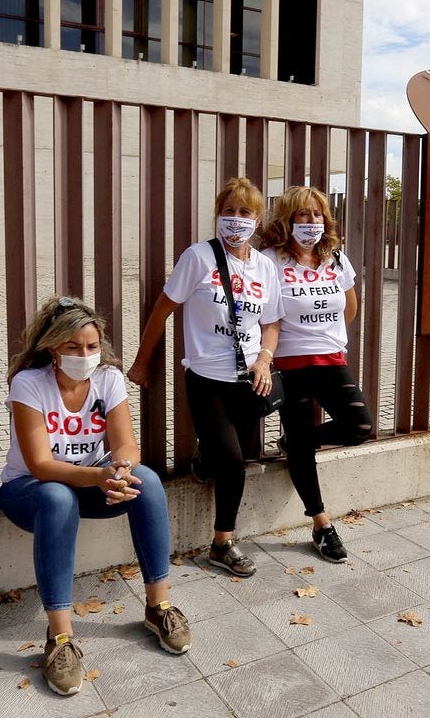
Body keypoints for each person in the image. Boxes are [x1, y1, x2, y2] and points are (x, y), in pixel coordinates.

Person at [0, 296, 191, 697]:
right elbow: (40, 465)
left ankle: (159, 607)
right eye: (72, 347)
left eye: (91, 346)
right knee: (57, 497)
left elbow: (126, 445)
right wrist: (100, 476)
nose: (84, 355)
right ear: (52, 347)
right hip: (29, 492)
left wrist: (120, 470)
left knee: (148, 481)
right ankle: (61, 639)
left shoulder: (108, 378)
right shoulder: (29, 384)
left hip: (91, 482)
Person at [128, 176, 283, 578]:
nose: (235, 220)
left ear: (258, 219)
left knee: (233, 455)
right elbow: (163, 309)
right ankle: (223, 542)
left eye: (244, 212)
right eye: (228, 211)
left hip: (249, 380)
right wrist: (143, 361)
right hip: (206, 377)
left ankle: (205, 455)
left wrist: (265, 360)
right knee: (232, 463)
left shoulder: (265, 267)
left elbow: (271, 323)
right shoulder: (198, 257)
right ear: (218, 216)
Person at [260, 185, 373, 563]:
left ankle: (295, 443)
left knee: (359, 427)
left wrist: (324, 334)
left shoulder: (336, 258)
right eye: (302, 215)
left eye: (317, 214)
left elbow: (350, 308)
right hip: (290, 364)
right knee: (304, 443)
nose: (311, 221)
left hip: (330, 360)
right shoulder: (269, 260)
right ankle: (321, 523)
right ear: (287, 220)